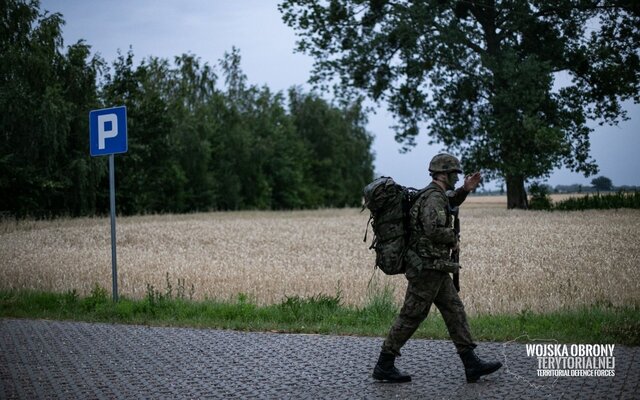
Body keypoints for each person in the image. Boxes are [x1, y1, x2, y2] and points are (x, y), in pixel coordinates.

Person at [372, 153, 502, 383]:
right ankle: (384, 364)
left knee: (454, 310)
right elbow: (432, 229)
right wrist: (452, 237)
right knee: (412, 315)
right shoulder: (433, 198)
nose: (455, 177)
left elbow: (451, 199)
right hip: (426, 268)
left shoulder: (435, 194)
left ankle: (471, 363)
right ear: (443, 173)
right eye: (454, 173)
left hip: (436, 267)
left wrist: (466, 189)